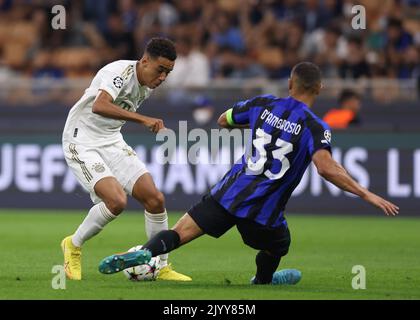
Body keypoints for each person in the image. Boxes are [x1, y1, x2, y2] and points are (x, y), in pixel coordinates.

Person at [98, 62, 399, 285]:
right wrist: (365, 193)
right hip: (263, 212)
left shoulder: (262, 103)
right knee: (278, 245)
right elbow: (325, 167)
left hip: (227, 194)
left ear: (290, 83)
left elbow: (222, 120)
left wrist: (257, 124)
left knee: (178, 234)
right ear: (319, 89)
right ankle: (262, 280)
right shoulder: (315, 127)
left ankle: (145, 253)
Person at [61, 37, 191, 281]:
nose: (163, 77)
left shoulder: (149, 83)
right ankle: (73, 244)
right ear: (144, 61)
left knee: (155, 199)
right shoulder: (118, 72)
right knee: (116, 201)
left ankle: (160, 265)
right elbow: (100, 105)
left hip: (111, 141)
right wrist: (143, 119)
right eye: (160, 69)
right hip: (82, 140)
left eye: (168, 72)